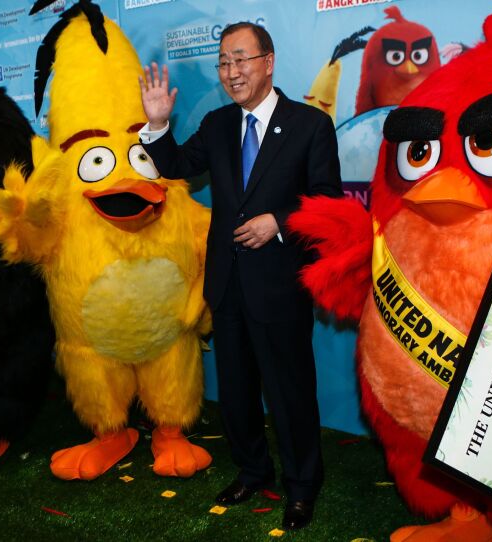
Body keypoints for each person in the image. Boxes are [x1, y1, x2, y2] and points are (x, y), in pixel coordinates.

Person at [138, 22, 343, 530]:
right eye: (224, 63)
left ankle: (301, 486)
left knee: (290, 390)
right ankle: (252, 470)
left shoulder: (309, 126)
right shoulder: (218, 124)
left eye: (242, 59)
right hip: (227, 286)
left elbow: (326, 202)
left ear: (268, 62)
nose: (232, 72)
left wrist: (279, 221)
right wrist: (159, 126)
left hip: (279, 285)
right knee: (236, 393)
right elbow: (179, 165)